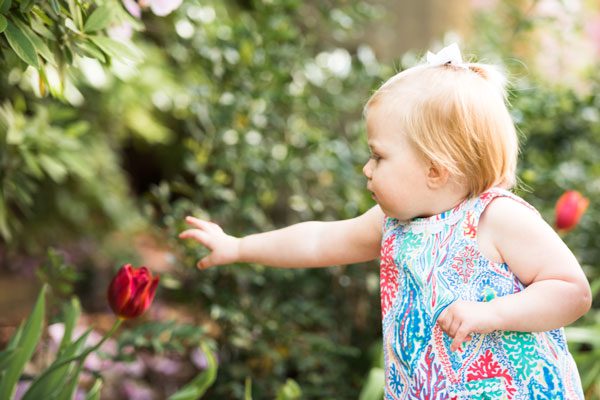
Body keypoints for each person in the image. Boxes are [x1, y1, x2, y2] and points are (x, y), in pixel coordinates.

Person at [178, 43, 592, 399]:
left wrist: (494, 313)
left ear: (435, 169)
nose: (366, 168)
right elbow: (319, 242)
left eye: (379, 155)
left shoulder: (497, 218)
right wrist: (239, 246)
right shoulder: (394, 223)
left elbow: (571, 291)